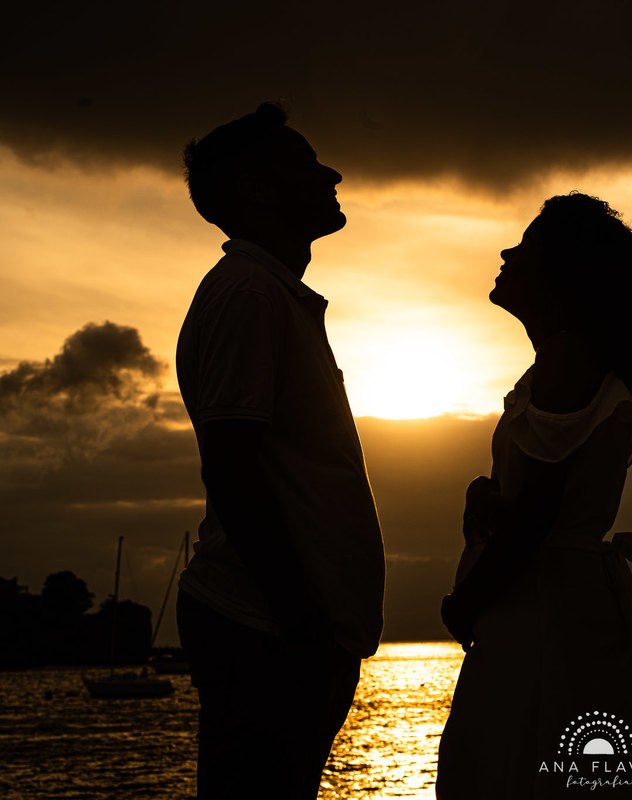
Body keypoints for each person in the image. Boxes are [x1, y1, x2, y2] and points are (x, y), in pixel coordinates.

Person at [174, 102, 386, 800]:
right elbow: (231, 465)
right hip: (263, 625)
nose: (331, 172)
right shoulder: (249, 294)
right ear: (256, 189)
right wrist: (302, 620)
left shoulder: (271, 295)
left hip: (283, 626)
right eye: (303, 161)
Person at [437, 193, 632, 798]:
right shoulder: (559, 362)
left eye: (527, 243)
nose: (507, 251)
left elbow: (537, 516)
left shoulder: (568, 360)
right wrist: (487, 495)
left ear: (561, 270)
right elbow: (540, 493)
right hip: (552, 602)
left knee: (524, 764)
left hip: (545, 607)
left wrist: (467, 600)